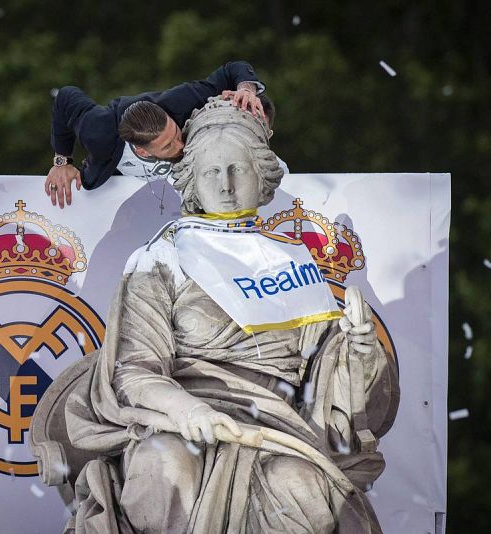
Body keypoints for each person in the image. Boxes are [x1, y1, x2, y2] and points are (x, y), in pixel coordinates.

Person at [57, 99, 399, 532]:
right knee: (165, 468)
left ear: (263, 178)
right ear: (193, 181)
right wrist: (188, 411)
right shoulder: (161, 259)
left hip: (278, 427)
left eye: (238, 169)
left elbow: (328, 378)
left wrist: (361, 355)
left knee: (302, 486)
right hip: (178, 423)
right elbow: (133, 372)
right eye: (211, 172)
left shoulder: (292, 261)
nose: (225, 185)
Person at [45, 61, 267, 208]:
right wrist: (62, 160)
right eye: (168, 145)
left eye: (176, 134)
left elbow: (232, 69)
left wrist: (246, 90)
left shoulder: (181, 102)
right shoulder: (98, 132)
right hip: (130, 202)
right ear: (142, 150)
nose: (181, 146)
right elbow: (65, 97)